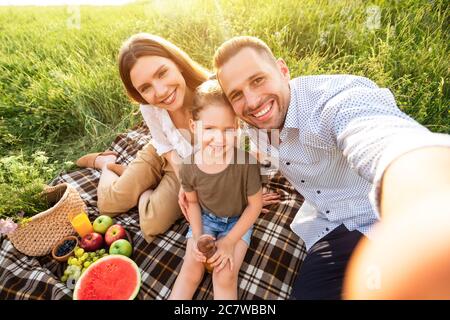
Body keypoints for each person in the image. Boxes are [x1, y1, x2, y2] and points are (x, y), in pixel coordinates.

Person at [178, 35, 450, 299]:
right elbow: (212, 117)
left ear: (283, 70)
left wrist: (426, 205)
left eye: (258, 80)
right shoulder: (251, 124)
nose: (252, 101)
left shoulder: (332, 101)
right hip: (329, 225)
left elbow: (383, 139)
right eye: (236, 94)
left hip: (383, 219)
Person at [76, 33, 210, 243]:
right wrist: (185, 182)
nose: (161, 91)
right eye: (145, 88)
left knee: (151, 223)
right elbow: (163, 144)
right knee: (108, 205)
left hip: (195, 165)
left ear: (178, 63)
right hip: (165, 153)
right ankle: (106, 163)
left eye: (162, 73)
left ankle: (139, 181)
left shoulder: (213, 93)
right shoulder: (149, 106)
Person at [169, 80, 263, 300]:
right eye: (209, 128)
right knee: (191, 268)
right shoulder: (189, 166)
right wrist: (198, 233)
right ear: (194, 127)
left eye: (228, 130)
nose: (219, 139)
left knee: (224, 275)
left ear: (238, 128)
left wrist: (229, 242)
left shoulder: (246, 163)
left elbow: (255, 205)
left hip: (237, 223)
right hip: (205, 220)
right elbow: (192, 203)